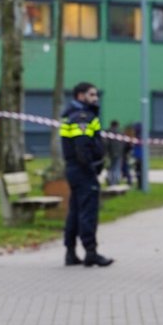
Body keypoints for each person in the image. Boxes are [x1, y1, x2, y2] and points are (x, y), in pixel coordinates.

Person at [60, 81, 113, 267]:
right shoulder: (82, 117)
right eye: (92, 95)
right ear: (80, 96)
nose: (96, 98)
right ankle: (91, 252)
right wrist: (92, 167)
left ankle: (70, 252)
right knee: (88, 212)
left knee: (74, 211)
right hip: (83, 171)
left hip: (74, 170)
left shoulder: (71, 115)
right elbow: (82, 146)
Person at [104, 120, 127, 186]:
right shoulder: (120, 132)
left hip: (110, 153)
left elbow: (106, 143)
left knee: (110, 167)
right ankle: (115, 181)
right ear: (117, 125)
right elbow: (124, 143)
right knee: (116, 167)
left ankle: (110, 180)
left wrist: (106, 152)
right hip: (119, 153)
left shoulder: (107, 132)